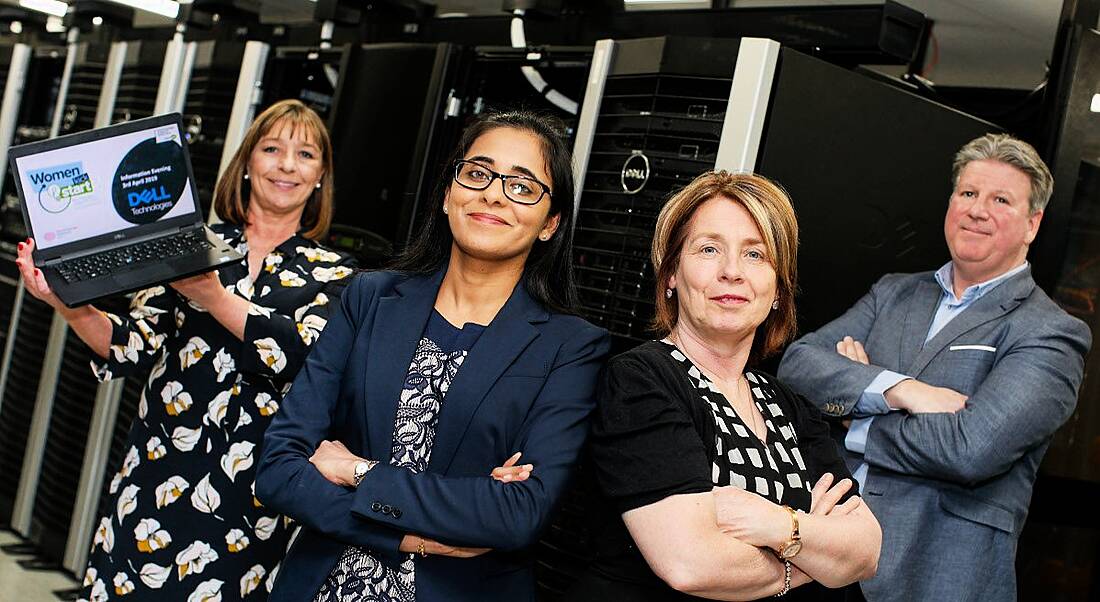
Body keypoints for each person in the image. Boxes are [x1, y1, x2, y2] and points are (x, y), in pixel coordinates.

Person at [255, 109, 610, 602]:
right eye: (478, 173)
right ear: (449, 193)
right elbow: (278, 468)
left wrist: (358, 471)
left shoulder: (572, 348)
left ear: (550, 223)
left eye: (523, 187)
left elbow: (517, 514)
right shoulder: (369, 298)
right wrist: (414, 537)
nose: (493, 194)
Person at [15, 99, 356, 602]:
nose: (287, 165)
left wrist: (213, 298)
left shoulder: (340, 275)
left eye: (305, 154)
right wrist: (63, 300)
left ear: (321, 176)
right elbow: (129, 345)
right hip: (157, 476)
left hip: (253, 501)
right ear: (246, 164)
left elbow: (302, 357)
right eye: (271, 149)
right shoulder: (188, 243)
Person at [777, 133, 1091, 601]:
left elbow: (971, 448)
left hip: (934, 576)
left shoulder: (1049, 332)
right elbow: (797, 365)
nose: (977, 210)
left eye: (1000, 199)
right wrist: (900, 390)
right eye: (968, 193)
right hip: (818, 557)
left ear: (1032, 224)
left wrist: (855, 412)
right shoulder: (894, 292)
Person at [571, 171, 881, 601]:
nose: (732, 272)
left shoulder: (792, 408)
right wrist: (814, 548)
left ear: (778, 290)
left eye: (755, 255)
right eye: (709, 249)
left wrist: (777, 526)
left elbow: (865, 552)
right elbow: (690, 564)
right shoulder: (640, 381)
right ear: (671, 276)